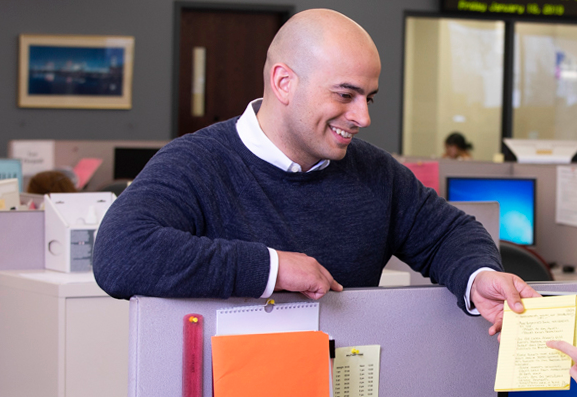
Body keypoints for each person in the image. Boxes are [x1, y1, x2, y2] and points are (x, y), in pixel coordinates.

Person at [93, 9, 537, 333]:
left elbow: (448, 234)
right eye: (345, 95)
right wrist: (273, 269)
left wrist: (478, 277)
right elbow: (121, 252)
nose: (362, 117)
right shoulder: (197, 163)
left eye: (369, 97)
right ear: (285, 83)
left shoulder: (375, 173)